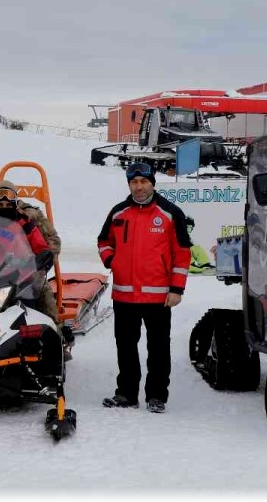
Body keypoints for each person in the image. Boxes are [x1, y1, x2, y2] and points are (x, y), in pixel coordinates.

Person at [97, 162, 191, 413]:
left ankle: (157, 396)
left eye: (143, 182)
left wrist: (176, 289)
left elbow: (182, 254)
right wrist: (111, 261)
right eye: (134, 182)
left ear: (152, 183)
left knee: (158, 349)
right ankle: (126, 393)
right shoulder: (118, 213)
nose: (139, 187)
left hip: (159, 297)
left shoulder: (170, 213)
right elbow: (104, 241)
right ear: (129, 185)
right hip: (124, 295)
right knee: (125, 347)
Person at [0, 180, 61, 323]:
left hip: (25, 274)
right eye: (1, 204)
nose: (4, 207)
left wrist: (42, 263)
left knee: (44, 299)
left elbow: (49, 242)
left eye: (8, 204)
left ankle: (54, 333)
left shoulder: (27, 219)